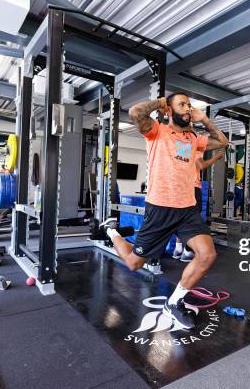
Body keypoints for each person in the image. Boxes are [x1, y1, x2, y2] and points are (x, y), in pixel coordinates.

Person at [96, 93, 228, 329]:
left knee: (207, 255)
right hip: (160, 207)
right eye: (182, 104)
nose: (187, 108)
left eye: (189, 105)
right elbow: (136, 112)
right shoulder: (156, 131)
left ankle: (174, 303)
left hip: (187, 209)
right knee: (134, 263)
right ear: (169, 110)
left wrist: (204, 120)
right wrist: (162, 102)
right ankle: (112, 232)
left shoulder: (192, 137)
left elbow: (222, 142)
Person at [173, 148, 224, 262]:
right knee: (193, 220)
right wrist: (217, 157)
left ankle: (178, 249)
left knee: (180, 218)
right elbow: (201, 165)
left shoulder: (180, 149)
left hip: (181, 187)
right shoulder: (192, 149)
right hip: (192, 188)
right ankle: (187, 251)